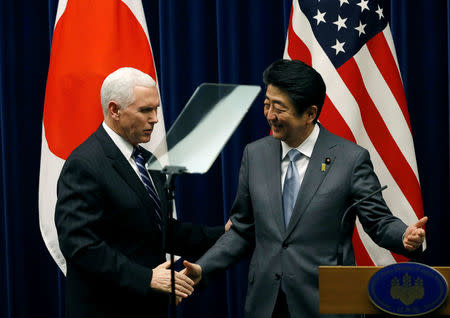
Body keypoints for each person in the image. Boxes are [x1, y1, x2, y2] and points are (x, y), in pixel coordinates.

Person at [182, 59, 427, 318]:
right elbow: (242, 230)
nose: (269, 115)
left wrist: (404, 237)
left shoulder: (350, 159)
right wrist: (203, 267)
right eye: (266, 104)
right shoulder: (255, 154)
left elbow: (378, 222)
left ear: (310, 114)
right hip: (266, 303)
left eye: (279, 108)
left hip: (327, 301)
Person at [55, 67, 226, 318]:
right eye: (146, 110)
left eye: (156, 109)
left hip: (148, 308)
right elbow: (79, 244)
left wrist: (224, 234)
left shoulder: (146, 160)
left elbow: (160, 230)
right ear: (115, 110)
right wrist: (147, 278)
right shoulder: (85, 163)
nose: (155, 119)